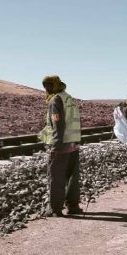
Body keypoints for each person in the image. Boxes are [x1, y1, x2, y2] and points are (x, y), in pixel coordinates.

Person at [38, 75, 83, 217]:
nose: (47, 88)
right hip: (74, 143)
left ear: (56, 85)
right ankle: (73, 206)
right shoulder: (69, 98)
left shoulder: (55, 100)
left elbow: (58, 124)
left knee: (56, 177)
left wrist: (55, 147)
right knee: (72, 177)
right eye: (45, 85)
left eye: (49, 85)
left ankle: (55, 208)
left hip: (61, 144)